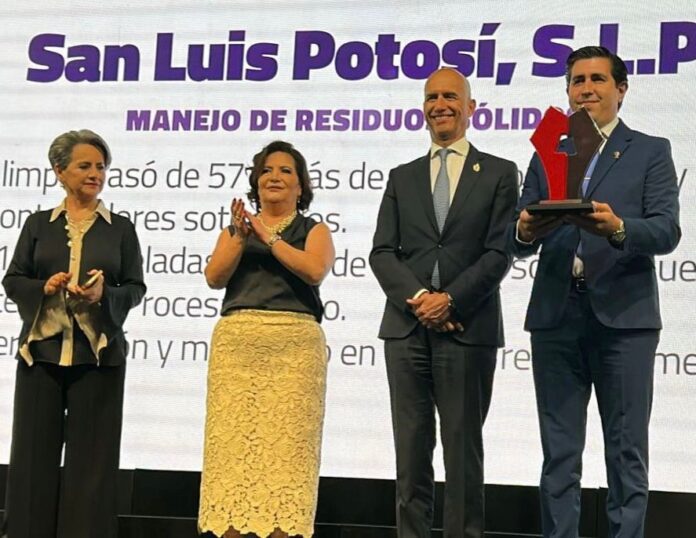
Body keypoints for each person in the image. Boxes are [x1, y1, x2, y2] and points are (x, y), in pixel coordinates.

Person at [508, 46, 681, 538]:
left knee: (626, 451)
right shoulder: (549, 148)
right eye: (577, 80)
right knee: (559, 454)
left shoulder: (650, 150)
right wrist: (524, 229)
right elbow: (515, 236)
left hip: (624, 320)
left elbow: (666, 230)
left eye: (597, 80)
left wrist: (619, 228)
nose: (586, 89)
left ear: (621, 90)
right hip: (555, 316)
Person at [369, 68, 519, 538]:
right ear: (423, 109)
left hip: (467, 329)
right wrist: (420, 300)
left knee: (462, 453)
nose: (440, 105)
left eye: (451, 96)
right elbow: (381, 252)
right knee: (410, 454)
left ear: (470, 107)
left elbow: (499, 252)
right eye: (432, 97)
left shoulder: (499, 172)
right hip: (406, 329)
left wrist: (450, 300)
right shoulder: (402, 177)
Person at [1, 129, 146, 538]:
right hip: (41, 356)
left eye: (101, 166)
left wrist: (105, 295)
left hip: (98, 358)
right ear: (60, 171)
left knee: (93, 464)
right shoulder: (37, 225)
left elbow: (136, 288)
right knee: (32, 460)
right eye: (85, 166)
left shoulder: (121, 229)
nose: (95, 174)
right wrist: (44, 287)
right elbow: (13, 280)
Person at [198, 140, 335, 538]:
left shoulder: (314, 230)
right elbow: (214, 278)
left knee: (286, 458)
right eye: (267, 171)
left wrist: (270, 238)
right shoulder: (236, 231)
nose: (275, 177)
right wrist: (242, 236)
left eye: (285, 171)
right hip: (238, 349)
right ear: (256, 182)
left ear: (300, 186)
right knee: (233, 457)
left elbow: (314, 271)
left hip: (294, 350)